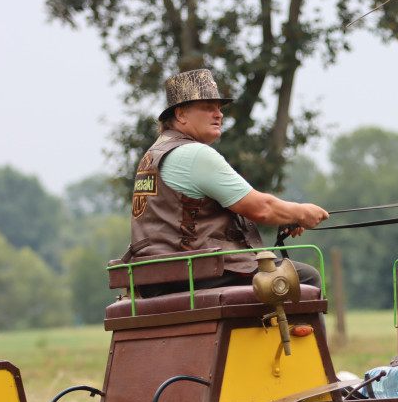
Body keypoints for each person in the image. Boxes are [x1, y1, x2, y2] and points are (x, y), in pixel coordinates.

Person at [122, 68, 329, 296]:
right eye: (208, 108)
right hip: (195, 273)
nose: (219, 114)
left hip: (161, 276)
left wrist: (287, 216)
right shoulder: (193, 154)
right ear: (181, 115)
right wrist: (301, 212)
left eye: (219, 108)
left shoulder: (154, 154)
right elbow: (262, 209)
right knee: (306, 277)